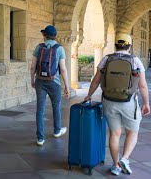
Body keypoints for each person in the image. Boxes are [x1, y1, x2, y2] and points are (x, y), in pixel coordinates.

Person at [84, 34, 150, 176]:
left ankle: (115, 166)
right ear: (129, 46)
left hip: (109, 101)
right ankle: (125, 159)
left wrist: (89, 95)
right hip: (129, 102)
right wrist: (146, 103)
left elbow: (95, 80)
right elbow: (143, 86)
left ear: (115, 45)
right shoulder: (135, 61)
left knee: (115, 133)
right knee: (132, 132)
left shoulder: (106, 59)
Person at [31, 25, 70, 146]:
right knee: (56, 106)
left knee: (40, 109)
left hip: (40, 81)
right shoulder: (59, 49)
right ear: (55, 36)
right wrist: (67, 87)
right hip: (54, 82)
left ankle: (40, 138)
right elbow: (63, 69)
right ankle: (57, 131)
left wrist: (32, 80)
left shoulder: (39, 47)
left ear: (44, 35)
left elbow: (33, 66)